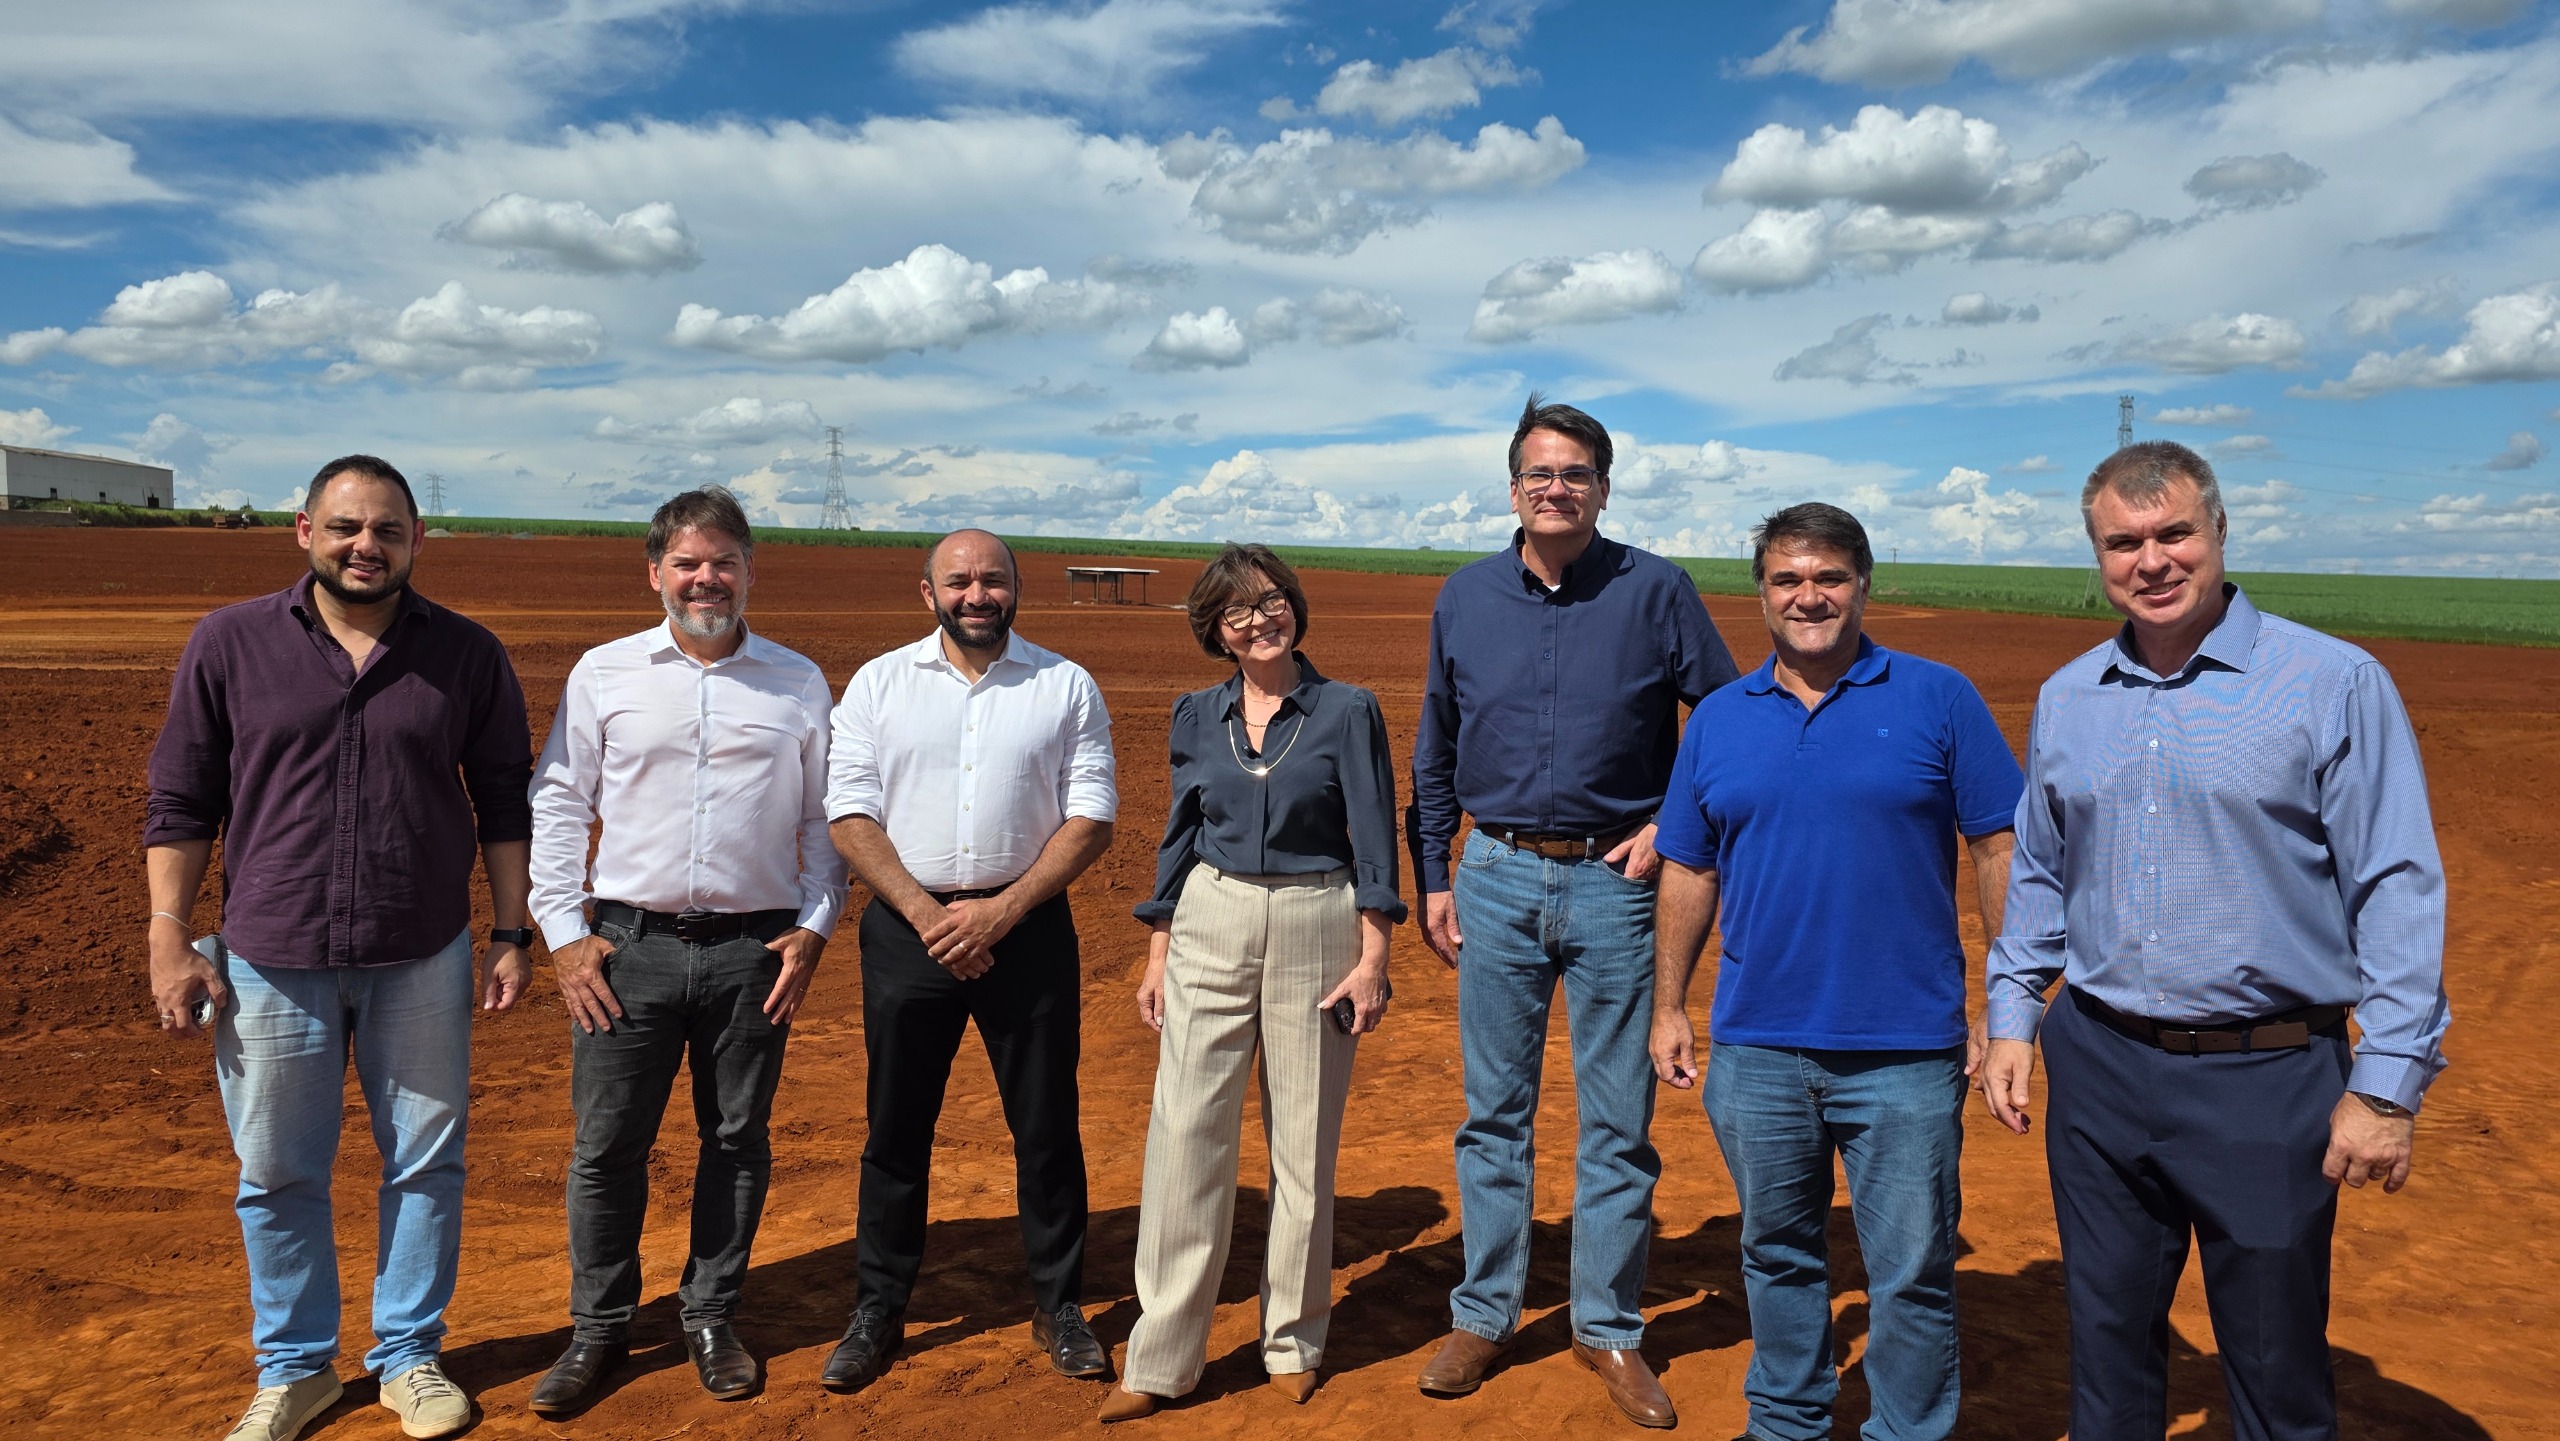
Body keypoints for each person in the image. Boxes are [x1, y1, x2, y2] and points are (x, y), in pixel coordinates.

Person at [1982, 442, 2451, 1441]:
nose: (2151, 560)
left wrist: (2386, 1085)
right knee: (2107, 1354)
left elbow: (2396, 883)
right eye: (2124, 543)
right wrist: (2014, 1014)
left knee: (2276, 1374)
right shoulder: (2069, 694)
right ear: (2098, 557)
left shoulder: (2331, 681)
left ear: (2220, 530)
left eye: (2173, 533)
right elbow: (2041, 870)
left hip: (2266, 1078)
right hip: (2098, 1067)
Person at [143, 455, 534, 1441]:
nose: (367, 546)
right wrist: (167, 934)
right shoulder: (230, 641)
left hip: (422, 949)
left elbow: (503, 798)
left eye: (388, 529)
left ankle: (409, 1354)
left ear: (416, 539)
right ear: (305, 531)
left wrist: (509, 930)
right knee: (276, 1171)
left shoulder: (466, 653)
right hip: (270, 955)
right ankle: (295, 1368)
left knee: (427, 1164)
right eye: (346, 527)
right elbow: (182, 799)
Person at [1649, 503, 2021, 1441]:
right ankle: (1787, 1421)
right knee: (1776, 1253)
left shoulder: (1938, 697)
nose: (1808, 596)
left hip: (1905, 1048)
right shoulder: (1721, 718)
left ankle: (1907, 1429)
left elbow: (1997, 845)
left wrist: (2005, 999)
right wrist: (1669, 1004)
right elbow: (1689, 867)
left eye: (1829, 577)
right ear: (1761, 593)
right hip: (1757, 1045)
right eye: (1787, 578)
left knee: (1910, 1270)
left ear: (1863, 585)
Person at [1409, 395, 1741, 1429]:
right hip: (1495, 875)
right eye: (1539, 473)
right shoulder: (1465, 596)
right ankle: (1485, 1313)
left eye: (1576, 473)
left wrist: (1672, 824)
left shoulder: (1656, 589)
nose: (1557, 488)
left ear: (1601, 487)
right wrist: (1434, 873)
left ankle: (1607, 1325)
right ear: (1513, 488)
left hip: (1617, 885)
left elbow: (1727, 716)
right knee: (1493, 1115)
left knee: (1617, 1121)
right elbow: (1435, 740)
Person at [523, 487, 847, 1416]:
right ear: (655, 573)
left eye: (724, 562)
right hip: (628, 950)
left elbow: (825, 816)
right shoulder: (605, 672)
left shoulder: (797, 681)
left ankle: (710, 1314)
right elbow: (560, 801)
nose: (707, 579)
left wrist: (815, 925)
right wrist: (566, 937)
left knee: (736, 1140)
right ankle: (599, 1328)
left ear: (750, 571)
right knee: (606, 1146)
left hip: (754, 952)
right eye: (688, 563)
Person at [1100, 544, 1404, 1423]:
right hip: (1212, 916)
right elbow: (1178, 835)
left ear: (1295, 607)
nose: (1261, 618)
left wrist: (1373, 956)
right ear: (1216, 631)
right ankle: (1162, 1356)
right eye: (1238, 611)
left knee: (1303, 1141)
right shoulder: (1197, 714)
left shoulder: (1349, 708)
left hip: (1319, 917)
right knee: (1186, 1133)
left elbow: (1374, 836)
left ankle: (1293, 1339)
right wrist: (1158, 951)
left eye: (1273, 600)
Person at [818, 528, 1119, 1393]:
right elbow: (849, 813)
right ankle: (878, 1309)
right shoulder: (879, 683)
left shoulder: (1064, 684)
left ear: (1016, 589)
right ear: (929, 593)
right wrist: (927, 914)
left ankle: (1059, 1304)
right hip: (907, 932)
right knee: (896, 1128)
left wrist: (1001, 911)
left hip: (1027, 930)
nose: (976, 594)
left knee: (1046, 1125)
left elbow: (1091, 817)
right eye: (958, 581)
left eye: (993, 579)